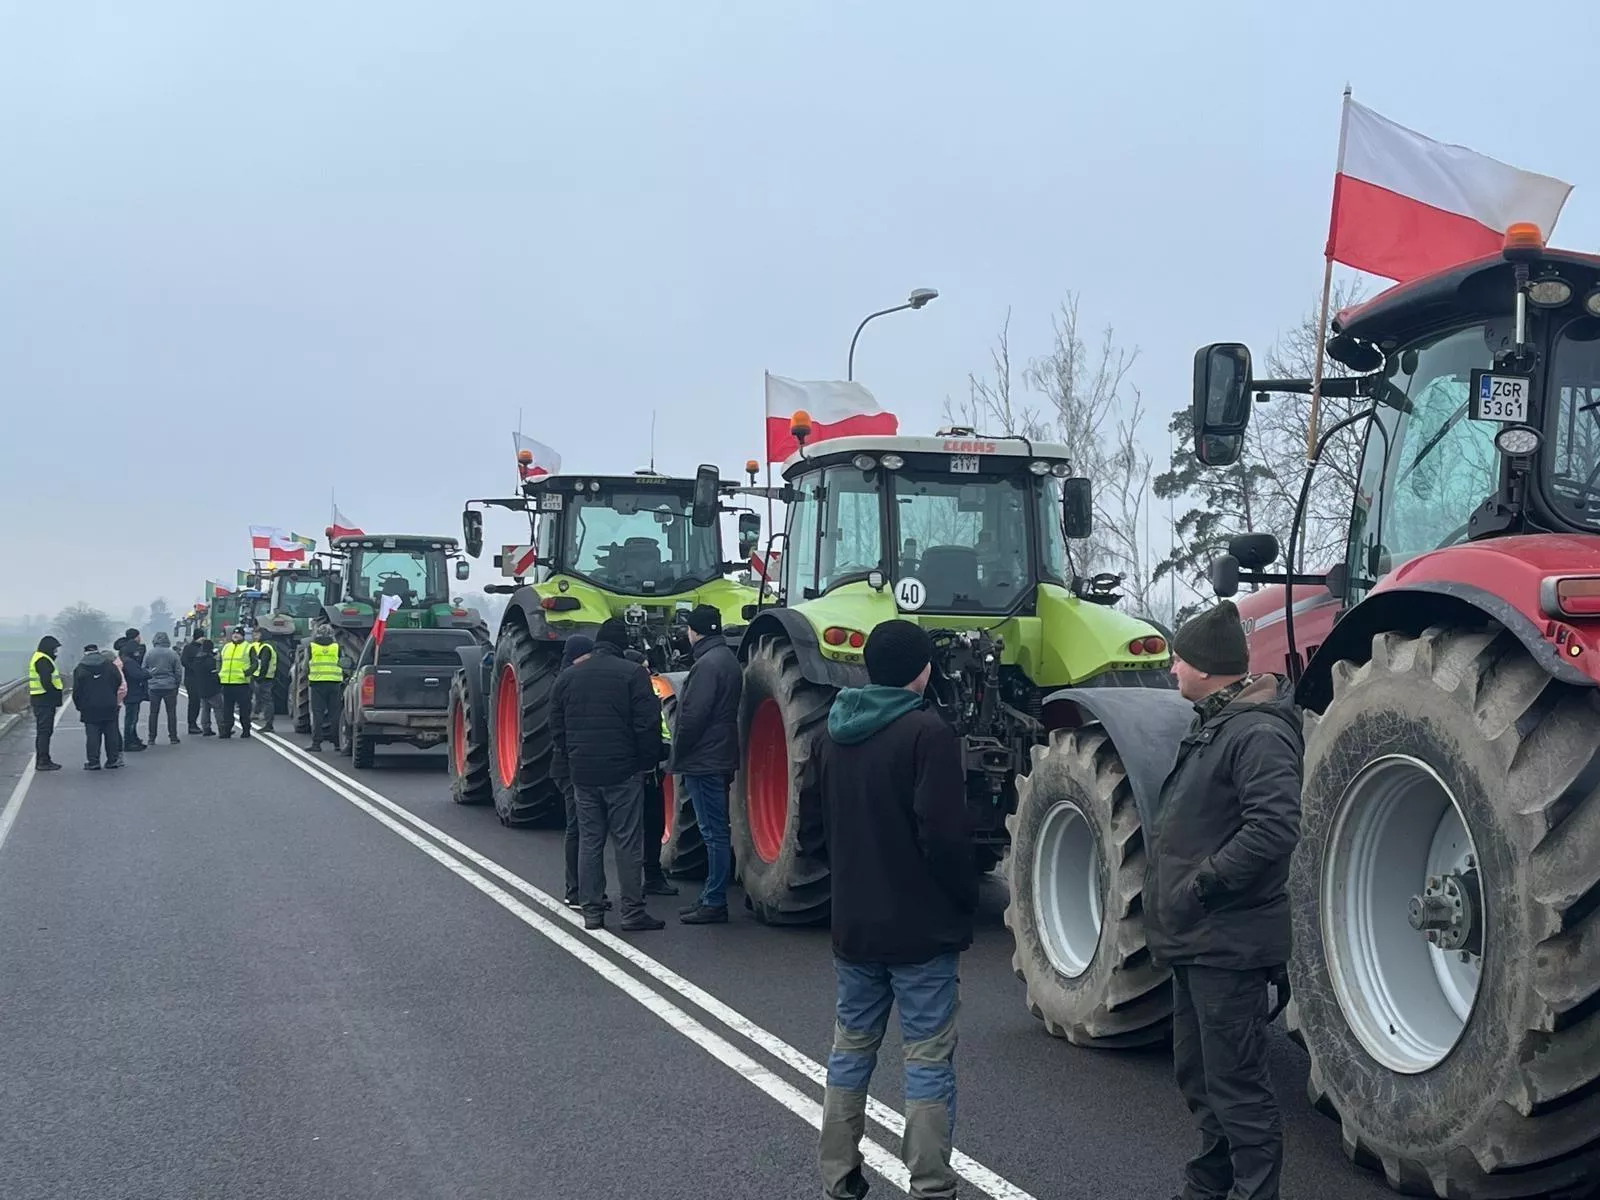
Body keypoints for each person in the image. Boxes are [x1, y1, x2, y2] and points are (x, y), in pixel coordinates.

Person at [796, 620, 974, 1200]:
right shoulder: (928, 734)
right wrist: (962, 898)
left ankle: (838, 1176)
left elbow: (812, 834)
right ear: (923, 671)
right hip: (922, 930)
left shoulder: (828, 735)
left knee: (851, 1048)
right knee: (925, 1059)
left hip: (855, 926)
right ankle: (929, 1185)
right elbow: (945, 839)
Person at [1148, 600, 1302, 1200]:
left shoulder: (1257, 733)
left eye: (1178, 661)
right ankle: (1208, 1187)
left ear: (1207, 667)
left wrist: (1204, 884)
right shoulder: (1218, 722)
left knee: (1238, 1086)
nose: (1171, 671)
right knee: (1201, 1078)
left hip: (1227, 941)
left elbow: (1274, 828)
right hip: (1198, 937)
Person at [550, 618, 665, 933]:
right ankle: (632, 911)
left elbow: (556, 727)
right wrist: (646, 763)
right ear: (621, 644)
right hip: (623, 771)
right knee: (628, 843)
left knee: (590, 841)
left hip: (583, 773)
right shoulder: (632, 674)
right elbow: (647, 724)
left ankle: (592, 912)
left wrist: (572, 756)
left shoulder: (568, 677)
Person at [670, 604, 742, 924]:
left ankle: (714, 901)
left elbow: (693, 716)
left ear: (694, 631)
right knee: (715, 830)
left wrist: (678, 752)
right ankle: (709, 896)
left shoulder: (706, 666)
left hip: (703, 760)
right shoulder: (726, 660)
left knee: (713, 832)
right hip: (719, 754)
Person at [623, 646, 677, 899]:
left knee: (651, 825)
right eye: (644, 667)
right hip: (641, 770)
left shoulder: (644, 692)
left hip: (647, 769)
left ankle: (649, 877)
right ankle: (638, 885)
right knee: (639, 828)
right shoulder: (636, 694)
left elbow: (661, 728)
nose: (649, 671)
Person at [554, 634, 596, 907]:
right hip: (572, 765)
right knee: (579, 827)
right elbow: (560, 730)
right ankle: (576, 889)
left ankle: (580, 889)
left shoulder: (563, 679)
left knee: (580, 827)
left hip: (569, 763)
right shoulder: (571, 681)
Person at [73, 644, 126, 770]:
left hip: (89, 707)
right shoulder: (110, 666)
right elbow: (118, 680)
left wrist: (80, 706)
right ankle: (112, 760)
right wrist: (111, 695)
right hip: (109, 704)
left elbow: (77, 691)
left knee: (92, 735)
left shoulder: (80, 668)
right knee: (111, 733)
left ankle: (93, 762)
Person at [305, 625, 345, 751]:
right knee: (335, 714)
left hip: (317, 684)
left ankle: (316, 743)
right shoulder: (337, 647)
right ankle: (337, 743)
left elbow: (305, 666)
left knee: (318, 714)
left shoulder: (311, 647)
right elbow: (343, 663)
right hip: (334, 684)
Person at [28, 634, 65, 771]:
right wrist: (55, 693)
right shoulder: (43, 660)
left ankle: (44, 759)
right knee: (44, 731)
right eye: (55, 649)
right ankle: (43, 761)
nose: (56, 652)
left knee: (44, 731)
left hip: (40, 700)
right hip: (44, 700)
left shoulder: (41, 657)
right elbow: (46, 682)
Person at [143, 631, 183, 745]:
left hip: (154, 686)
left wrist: (149, 680)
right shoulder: (173, 654)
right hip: (170, 686)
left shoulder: (149, 653)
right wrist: (177, 683)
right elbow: (178, 671)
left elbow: (144, 669)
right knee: (171, 712)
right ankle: (173, 737)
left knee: (153, 713)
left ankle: (151, 738)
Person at [217, 628, 254, 738]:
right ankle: (226, 731)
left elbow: (255, 663)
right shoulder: (226, 647)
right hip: (227, 683)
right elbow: (219, 661)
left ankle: (246, 730)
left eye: (238, 634)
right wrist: (219, 673)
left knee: (244, 709)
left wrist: (246, 673)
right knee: (227, 709)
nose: (235, 635)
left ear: (242, 636)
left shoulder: (248, 647)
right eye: (234, 633)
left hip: (241, 683)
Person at [118, 637, 150, 751]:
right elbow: (138, 675)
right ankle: (128, 742)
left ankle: (133, 739)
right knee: (131, 719)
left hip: (131, 692)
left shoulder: (125, 660)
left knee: (132, 718)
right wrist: (148, 673)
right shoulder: (129, 662)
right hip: (132, 692)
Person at [184, 637, 222, 735]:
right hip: (212, 688)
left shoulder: (197, 659)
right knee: (218, 708)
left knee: (205, 709)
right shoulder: (210, 660)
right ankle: (223, 729)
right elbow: (214, 674)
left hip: (201, 687)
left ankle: (206, 728)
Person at [250, 627, 279, 733]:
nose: (254, 636)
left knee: (267, 701)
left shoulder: (265, 647)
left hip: (264, 678)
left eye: (257, 634)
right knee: (266, 700)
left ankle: (268, 724)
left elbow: (264, 664)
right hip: (267, 677)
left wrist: (259, 677)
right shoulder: (269, 645)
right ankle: (266, 721)